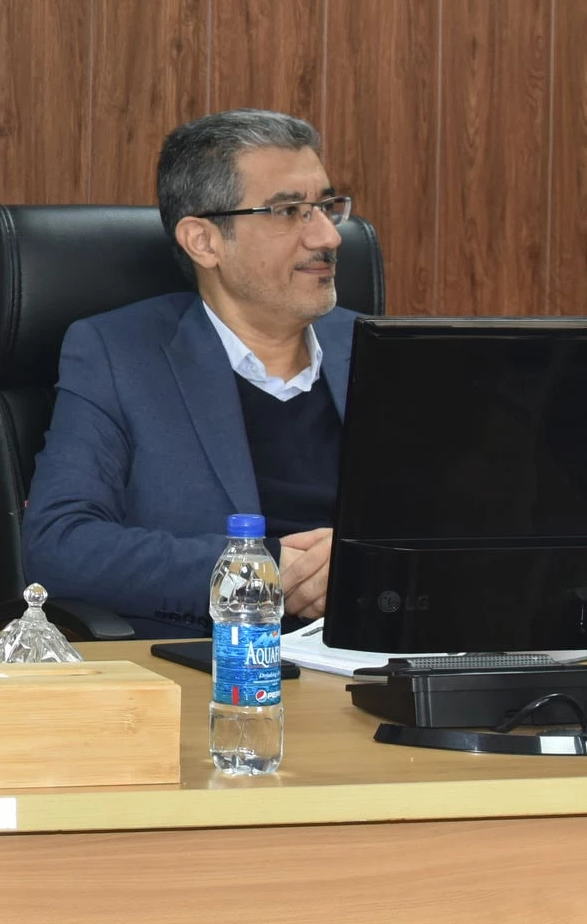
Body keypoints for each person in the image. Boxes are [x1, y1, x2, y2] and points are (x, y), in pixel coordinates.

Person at [21, 109, 358, 631]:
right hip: (213, 664)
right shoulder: (119, 355)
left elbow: (463, 531)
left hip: (378, 659)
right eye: (289, 211)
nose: (328, 237)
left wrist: (366, 564)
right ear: (204, 241)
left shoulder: (379, 350)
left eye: (326, 207)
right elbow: (59, 545)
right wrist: (258, 572)